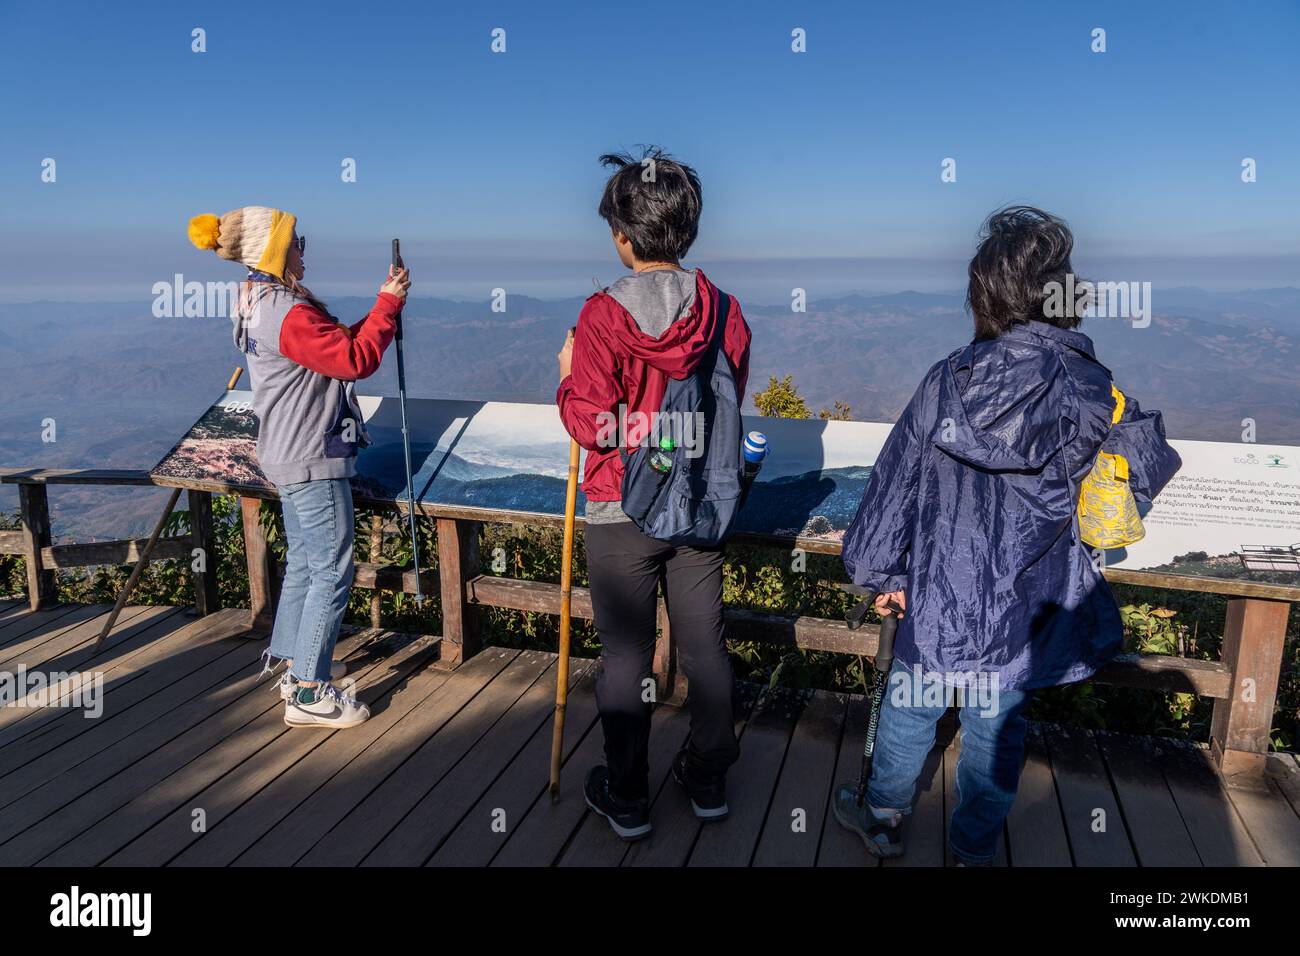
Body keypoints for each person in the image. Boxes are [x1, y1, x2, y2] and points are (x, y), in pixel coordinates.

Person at [835, 206, 1181, 865]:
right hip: (1030, 608)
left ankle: (881, 817)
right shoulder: (1094, 389)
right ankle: (973, 847)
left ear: (983, 294)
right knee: (996, 732)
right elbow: (1139, 476)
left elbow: (895, 482)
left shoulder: (946, 381)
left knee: (910, 709)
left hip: (937, 598)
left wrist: (882, 573)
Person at [556, 150, 752, 840]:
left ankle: (629, 795)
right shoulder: (724, 312)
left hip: (619, 508)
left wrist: (564, 377)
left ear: (622, 236)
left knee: (626, 658)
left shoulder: (602, 316)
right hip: (700, 503)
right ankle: (706, 778)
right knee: (705, 650)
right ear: (688, 229)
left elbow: (592, 424)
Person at [188, 206, 410, 729]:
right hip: (312, 453)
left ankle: (297, 663)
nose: (303, 250)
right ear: (274, 250)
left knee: (309, 565)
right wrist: (387, 305)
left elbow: (334, 350)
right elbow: (354, 361)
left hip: (286, 452)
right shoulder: (285, 310)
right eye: (296, 242)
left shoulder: (256, 300)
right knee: (331, 568)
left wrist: (385, 309)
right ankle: (310, 692)